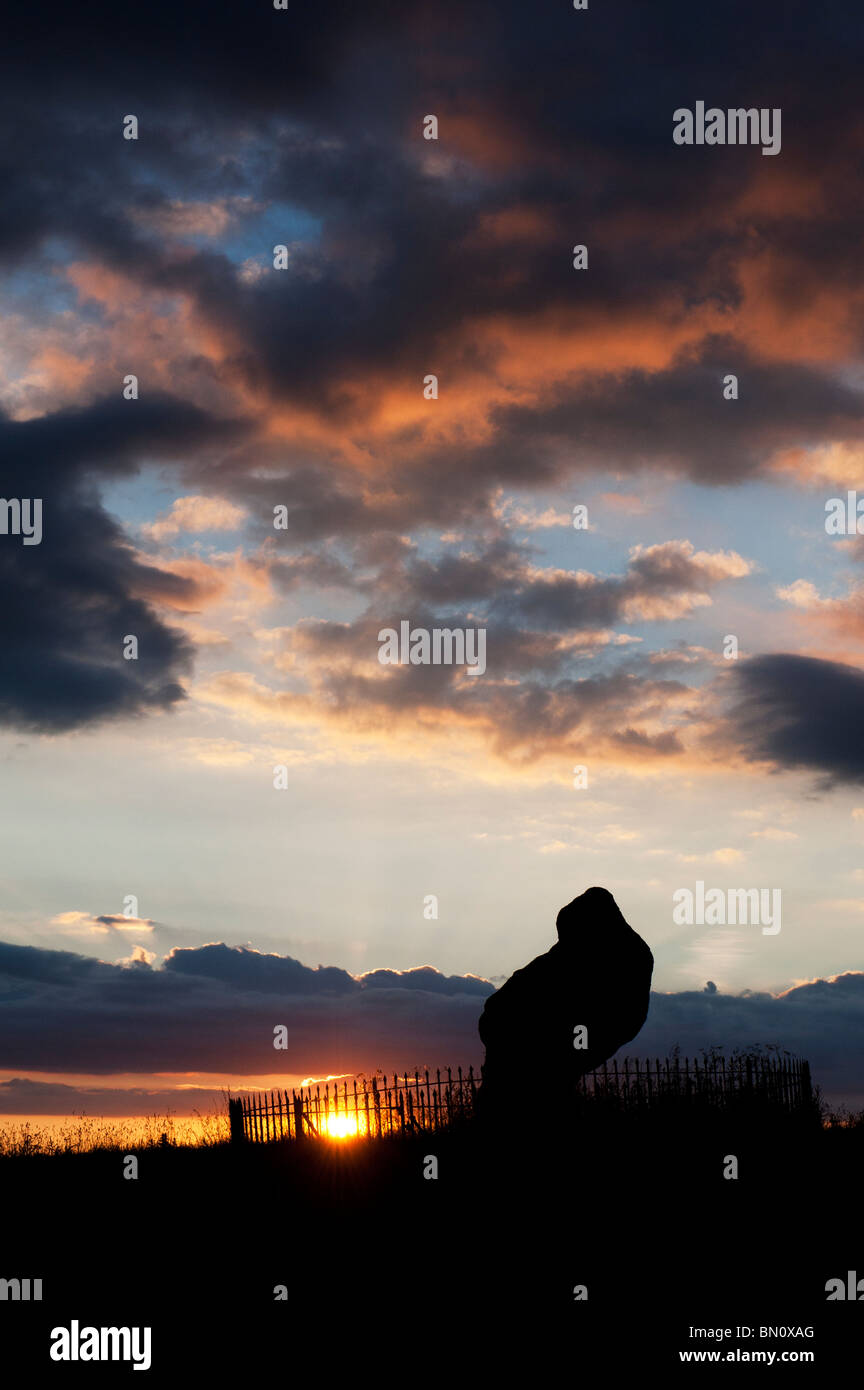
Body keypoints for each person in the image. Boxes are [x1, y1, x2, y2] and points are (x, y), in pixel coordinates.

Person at [477, 887, 654, 1120]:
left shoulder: (582, 961)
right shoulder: (564, 963)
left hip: (538, 1042)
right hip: (524, 1038)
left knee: (544, 1095)